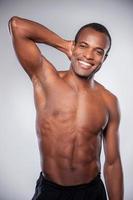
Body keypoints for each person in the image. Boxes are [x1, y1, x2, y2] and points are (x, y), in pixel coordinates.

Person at [9, 16, 123, 200]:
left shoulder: (109, 101)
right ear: (74, 45)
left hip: (92, 192)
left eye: (98, 51)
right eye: (83, 45)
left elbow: (113, 163)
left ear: (104, 58)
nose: (88, 55)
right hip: (50, 191)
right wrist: (63, 44)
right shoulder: (47, 80)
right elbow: (17, 26)